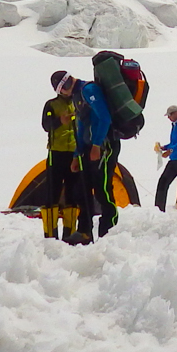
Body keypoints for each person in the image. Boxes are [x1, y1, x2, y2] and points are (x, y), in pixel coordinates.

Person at [40, 72, 85, 241]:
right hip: (56, 153)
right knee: (53, 193)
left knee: (72, 193)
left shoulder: (78, 101)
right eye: (62, 87)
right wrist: (60, 121)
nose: (66, 90)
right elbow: (45, 125)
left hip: (74, 153)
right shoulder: (51, 105)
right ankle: (50, 235)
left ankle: (69, 233)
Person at [74, 69, 116, 243]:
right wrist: (77, 154)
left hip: (104, 145)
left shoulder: (88, 90)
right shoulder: (78, 95)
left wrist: (97, 144)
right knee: (83, 189)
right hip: (90, 147)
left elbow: (105, 118)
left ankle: (108, 233)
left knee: (102, 189)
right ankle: (84, 231)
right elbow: (81, 125)